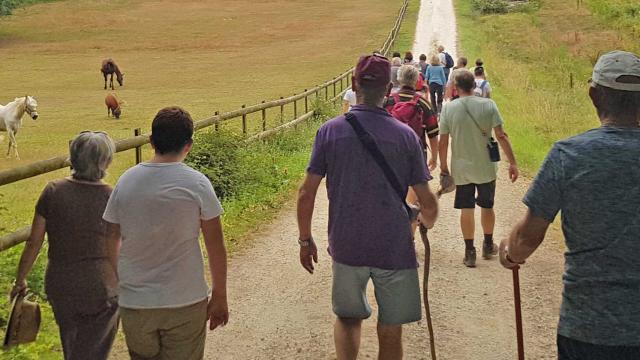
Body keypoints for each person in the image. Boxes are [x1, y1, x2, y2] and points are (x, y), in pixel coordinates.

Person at [499, 50, 640, 359]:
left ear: (593, 95)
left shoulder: (569, 155)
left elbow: (527, 238)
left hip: (587, 328)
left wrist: (510, 252)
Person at [297, 54, 438, 360]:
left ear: (353, 84)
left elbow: (306, 193)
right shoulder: (405, 137)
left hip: (347, 245)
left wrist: (305, 240)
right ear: (388, 88)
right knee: (391, 327)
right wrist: (421, 222)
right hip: (394, 247)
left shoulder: (329, 132)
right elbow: (428, 202)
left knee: (348, 319)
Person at [103, 107, 229, 360]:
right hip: (185, 299)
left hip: (136, 303)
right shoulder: (197, 183)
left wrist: (122, 280)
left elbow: (110, 238)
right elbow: (216, 244)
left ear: (151, 141)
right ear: (189, 145)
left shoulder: (126, 181)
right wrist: (220, 295)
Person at [11, 131, 119, 360]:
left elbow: (34, 242)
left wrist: (20, 278)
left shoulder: (53, 191)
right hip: (102, 287)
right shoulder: (111, 196)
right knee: (94, 353)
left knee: (71, 349)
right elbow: (118, 244)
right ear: (106, 161)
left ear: (74, 157)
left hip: (61, 283)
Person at [438, 70, 518, 267]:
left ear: (456, 88)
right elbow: (501, 135)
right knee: (487, 205)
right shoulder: (489, 105)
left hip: (461, 167)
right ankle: (488, 244)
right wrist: (513, 162)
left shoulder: (449, 109)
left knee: (466, 208)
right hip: (486, 166)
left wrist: (444, 167)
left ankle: (469, 251)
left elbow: (443, 141)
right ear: (474, 85)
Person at [385, 64, 439, 170]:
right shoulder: (424, 103)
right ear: (416, 80)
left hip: (392, 154)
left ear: (399, 79)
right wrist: (434, 157)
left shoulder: (388, 101)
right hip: (417, 153)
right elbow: (433, 133)